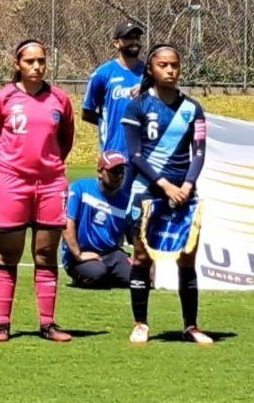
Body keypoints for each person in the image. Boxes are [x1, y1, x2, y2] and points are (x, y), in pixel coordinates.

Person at [0, 39, 76, 342]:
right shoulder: (3, 99)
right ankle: (2, 323)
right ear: (17, 64)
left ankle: (47, 323)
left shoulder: (60, 100)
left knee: (46, 253)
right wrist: (10, 169)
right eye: (30, 61)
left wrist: (47, 167)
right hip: (11, 183)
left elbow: (66, 141)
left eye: (41, 61)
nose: (36, 67)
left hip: (50, 184)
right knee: (8, 252)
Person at [121, 44, 212, 345]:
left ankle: (191, 325)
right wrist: (164, 185)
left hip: (184, 193)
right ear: (151, 69)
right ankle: (140, 323)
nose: (170, 70)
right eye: (163, 65)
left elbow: (198, 153)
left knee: (187, 257)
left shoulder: (192, 108)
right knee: (141, 256)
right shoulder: (138, 106)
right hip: (148, 191)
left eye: (175, 65)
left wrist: (186, 185)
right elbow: (135, 155)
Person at [62, 152, 134, 289]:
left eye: (121, 172)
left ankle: (110, 274)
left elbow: (133, 235)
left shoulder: (125, 202)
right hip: (81, 254)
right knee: (97, 274)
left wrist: (140, 260)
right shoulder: (80, 189)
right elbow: (67, 222)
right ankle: (87, 275)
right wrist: (78, 254)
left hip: (111, 254)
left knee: (137, 277)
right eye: (114, 171)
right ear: (100, 172)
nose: (118, 176)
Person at [82, 22, 145, 156]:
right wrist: (109, 121)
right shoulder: (102, 74)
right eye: (128, 38)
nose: (134, 41)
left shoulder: (150, 74)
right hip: (114, 152)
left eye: (137, 37)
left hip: (145, 153)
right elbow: (87, 112)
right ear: (116, 43)